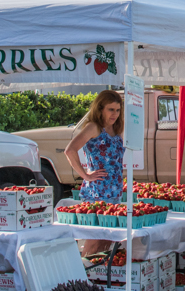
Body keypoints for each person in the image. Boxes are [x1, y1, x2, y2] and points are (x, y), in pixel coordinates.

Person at [64, 90, 125, 255]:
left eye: (118, 110)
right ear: (100, 109)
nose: (115, 114)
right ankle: (84, 269)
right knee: (94, 240)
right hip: (97, 192)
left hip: (115, 191)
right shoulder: (94, 127)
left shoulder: (116, 128)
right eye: (111, 109)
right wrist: (85, 175)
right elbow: (70, 150)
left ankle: (97, 269)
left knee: (108, 240)